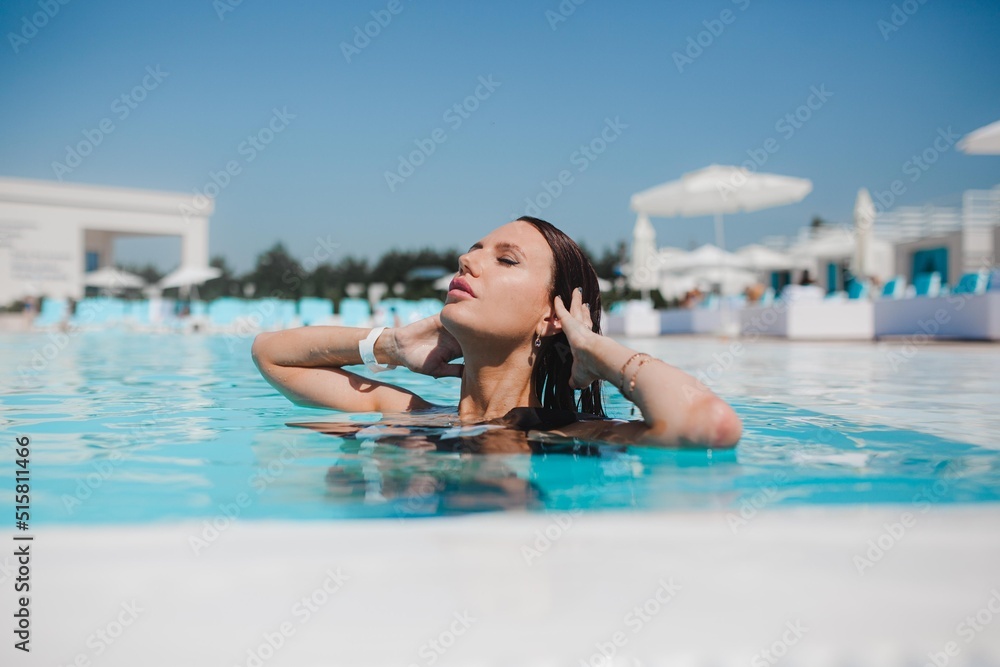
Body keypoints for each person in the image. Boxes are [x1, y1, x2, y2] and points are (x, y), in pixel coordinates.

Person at [252, 216, 742, 449]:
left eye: (505, 259)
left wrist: (596, 351)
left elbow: (710, 426)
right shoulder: (415, 415)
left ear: (552, 318)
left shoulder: (566, 435)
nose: (468, 259)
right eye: (474, 249)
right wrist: (391, 346)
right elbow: (270, 355)